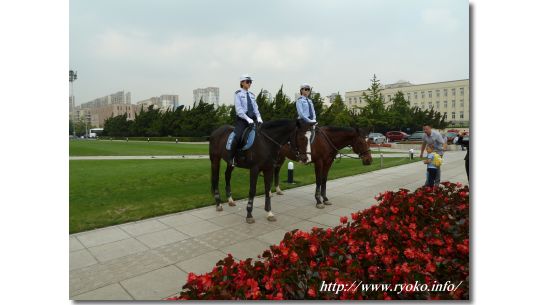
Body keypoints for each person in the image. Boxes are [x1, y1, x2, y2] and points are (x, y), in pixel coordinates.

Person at [229, 74, 263, 166]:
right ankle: (232, 158)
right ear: (242, 82)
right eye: (248, 82)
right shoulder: (238, 94)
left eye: (250, 82)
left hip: (253, 119)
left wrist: (259, 118)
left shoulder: (252, 95)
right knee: (237, 136)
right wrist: (248, 119)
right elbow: (239, 110)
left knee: (262, 135)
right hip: (242, 120)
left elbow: (256, 108)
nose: (249, 83)